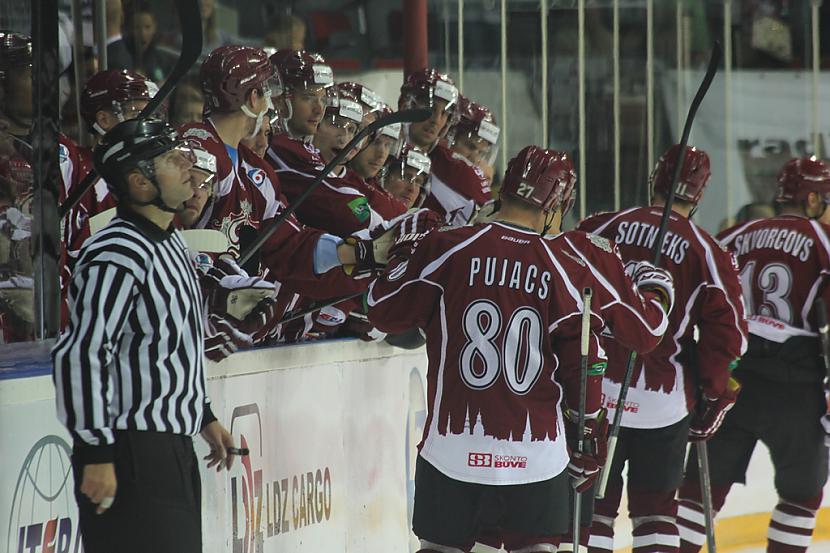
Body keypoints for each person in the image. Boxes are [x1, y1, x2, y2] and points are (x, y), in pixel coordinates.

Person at [367, 145, 674, 553]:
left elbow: (381, 311)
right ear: (556, 204)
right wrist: (586, 435)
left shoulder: (446, 247)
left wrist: (404, 255)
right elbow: (595, 357)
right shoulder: (566, 265)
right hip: (536, 455)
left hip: (452, 449)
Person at [53, 118, 238, 552]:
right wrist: (97, 452)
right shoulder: (116, 252)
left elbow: (167, 344)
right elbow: (82, 353)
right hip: (129, 450)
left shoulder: (170, 242)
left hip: (169, 445)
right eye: (173, 160)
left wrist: (202, 413)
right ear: (139, 182)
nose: (190, 170)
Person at [576, 145, 748, 553]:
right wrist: (714, 392)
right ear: (701, 194)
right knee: (656, 511)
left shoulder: (600, 227)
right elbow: (730, 336)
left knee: (595, 507)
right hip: (663, 402)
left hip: (598, 392)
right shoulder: (707, 249)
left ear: (654, 179)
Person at [677, 156, 830, 553]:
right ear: (813, 199)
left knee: (697, 494)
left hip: (731, 374)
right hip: (798, 383)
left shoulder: (731, 235)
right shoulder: (824, 240)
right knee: (801, 497)